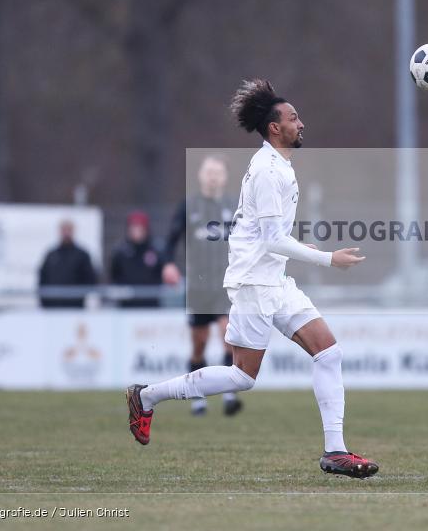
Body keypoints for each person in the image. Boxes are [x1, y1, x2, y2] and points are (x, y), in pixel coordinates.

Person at [127, 79, 379, 478]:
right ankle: (147, 395)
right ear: (275, 127)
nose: (301, 123)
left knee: (329, 353)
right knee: (243, 377)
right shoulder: (266, 170)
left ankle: (335, 451)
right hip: (253, 285)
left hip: (274, 282)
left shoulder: (278, 166)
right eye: (294, 118)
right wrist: (329, 259)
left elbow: (274, 237)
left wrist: (312, 251)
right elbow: (272, 238)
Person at [161, 154, 241, 416]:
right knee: (200, 343)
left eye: (218, 171)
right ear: (200, 175)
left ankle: (229, 394)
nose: (213, 176)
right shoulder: (189, 205)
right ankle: (197, 397)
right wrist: (168, 264)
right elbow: (170, 239)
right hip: (198, 287)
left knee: (228, 335)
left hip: (226, 284)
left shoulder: (234, 206)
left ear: (225, 177)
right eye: (209, 171)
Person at [110, 210, 164, 308]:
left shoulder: (156, 250)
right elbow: (115, 275)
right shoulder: (120, 253)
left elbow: (161, 273)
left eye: (139, 228)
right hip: (127, 306)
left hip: (151, 304)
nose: (136, 231)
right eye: (133, 227)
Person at [38, 220, 97, 308]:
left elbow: (90, 279)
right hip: (52, 308)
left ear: (73, 231)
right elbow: (43, 279)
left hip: (75, 307)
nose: (66, 233)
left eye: (69, 229)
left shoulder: (82, 255)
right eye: (64, 230)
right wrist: (44, 301)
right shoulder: (51, 255)